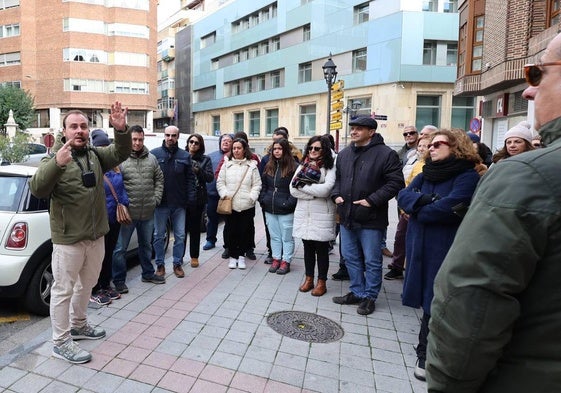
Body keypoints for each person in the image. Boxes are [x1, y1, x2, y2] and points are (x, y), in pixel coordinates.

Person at [426, 32, 561, 392]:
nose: (529, 91)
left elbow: (473, 298)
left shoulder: (529, 174)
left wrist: (448, 384)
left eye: (538, 75)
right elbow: (411, 197)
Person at [29, 102, 131, 364]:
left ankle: (79, 324)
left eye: (84, 126)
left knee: (87, 285)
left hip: (96, 236)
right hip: (68, 240)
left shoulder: (96, 156)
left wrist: (121, 129)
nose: (79, 130)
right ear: (64, 132)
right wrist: (57, 165)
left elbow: (121, 152)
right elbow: (37, 189)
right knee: (63, 290)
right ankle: (61, 342)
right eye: (73, 126)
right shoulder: (52, 160)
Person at [397, 129, 480, 381]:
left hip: (444, 246)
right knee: (425, 297)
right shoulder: (426, 173)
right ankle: (427, 348)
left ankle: (426, 354)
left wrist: (420, 207)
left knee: (439, 299)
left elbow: (450, 208)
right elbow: (403, 196)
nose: (430, 148)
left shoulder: (466, 176)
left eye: (437, 144)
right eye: (430, 145)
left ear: (455, 147)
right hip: (419, 243)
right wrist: (427, 200)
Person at [331, 116, 404, 315]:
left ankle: (370, 297)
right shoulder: (345, 154)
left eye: (359, 129)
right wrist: (336, 194)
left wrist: (371, 200)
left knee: (372, 260)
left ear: (371, 132)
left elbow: (396, 183)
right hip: (347, 217)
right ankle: (356, 291)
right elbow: (338, 179)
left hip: (371, 219)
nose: (353, 132)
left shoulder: (386, 154)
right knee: (350, 257)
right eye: (352, 128)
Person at [112, 125, 165, 294]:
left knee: (146, 246)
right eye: (134, 139)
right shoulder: (121, 158)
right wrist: (122, 204)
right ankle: (119, 280)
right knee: (120, 249)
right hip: (128, 214)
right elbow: (115, 185)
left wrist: (155, 199)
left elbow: (159, 180)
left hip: (148, 212)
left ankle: (147, 274)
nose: (137, 143)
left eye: (140, 139)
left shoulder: (152, 159)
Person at [290, 135, 336, 296]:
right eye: (310, 148)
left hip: (322, 213)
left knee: (322, 249)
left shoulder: (330, 165)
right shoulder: (304, 164)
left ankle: (321, 282)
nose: (313, 151)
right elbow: (292, 188)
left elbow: (327, 190)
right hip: (304, 213)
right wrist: (313, 194)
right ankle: (309, 279)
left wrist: (304, 188)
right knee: (307, 248)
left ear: (324, 149)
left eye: (317, 148)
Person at [151, 125, 196, 279]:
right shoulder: (154, 154)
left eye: (173, 135)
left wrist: (190, 199)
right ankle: (160, 265)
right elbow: (150, 179)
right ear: (164, 136)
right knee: (158, 236)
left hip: (179, 204)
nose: (170, 138)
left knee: (180, 236)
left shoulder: (185, 156)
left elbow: (190, 179)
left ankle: (177, 264)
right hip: (160, 204)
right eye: (167, 135)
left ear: (178, 137)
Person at [88, 129, 128, 305]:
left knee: (109, 254)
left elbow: (121, 190)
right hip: (99, 220)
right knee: (96, 257)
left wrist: (124, 205)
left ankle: (106, 284)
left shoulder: (117, 167)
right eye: (100, 146)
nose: (104, 150)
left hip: (114, 219)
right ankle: (94, 289)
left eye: (106, 146)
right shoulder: (92, 168)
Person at [385, 134, 431, 280]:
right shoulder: (416, 163)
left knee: (415, 244)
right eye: (421, 145)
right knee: (400, 238)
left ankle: (411, 272)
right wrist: (405, 206)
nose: (422, 148)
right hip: (407, 209)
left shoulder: (431, 166)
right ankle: (397, 266)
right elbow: (408, 185)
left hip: (421, 211)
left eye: (426, 145)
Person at [216, 138, 262, 269]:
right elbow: (220, 182)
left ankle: (241, 257)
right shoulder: (226, 164)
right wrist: (225, 194)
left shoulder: (252, 165)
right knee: (231, 231)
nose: (236, 150)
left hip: (247, 205)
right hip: (231, 204)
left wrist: (252, 197)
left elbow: (257, 184)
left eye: (239, 148)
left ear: (244, 149)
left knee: (243, 232)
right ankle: (233, 256)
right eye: (234, 148)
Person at [258, 127, 301, 264]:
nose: (277, 151)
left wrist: (288, 203)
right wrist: (263, 199)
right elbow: (263, 185)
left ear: (286, 150)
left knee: (287, 237)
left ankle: (286, 261)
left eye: (280, 149)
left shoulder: (294, 166)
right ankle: (276, 258)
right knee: (274, 236)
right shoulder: (269, 165)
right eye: (274, 149)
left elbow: (297, 189)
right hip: (270, 206)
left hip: (285, 208)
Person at [184, 133, 214, 268]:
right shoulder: (182, 156)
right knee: (181, 231)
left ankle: (194, 256)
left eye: (196, 143)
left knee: (195, 229)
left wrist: (198, 170)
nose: (193, 145)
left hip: (198, 199)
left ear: (200, 145)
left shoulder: (205, 159)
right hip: (183, 198)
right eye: (191, 142)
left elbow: (210, 177)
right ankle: (178, 257)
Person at [203, 133, 233, 252]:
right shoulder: (210, 156)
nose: (225, 142)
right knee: (212, 219)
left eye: (228, 141)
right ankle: (210, 240)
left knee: (229, 221)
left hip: (228, 195)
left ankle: (229, 243)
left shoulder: (235, 157)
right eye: (223, 140)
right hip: (211, 194)